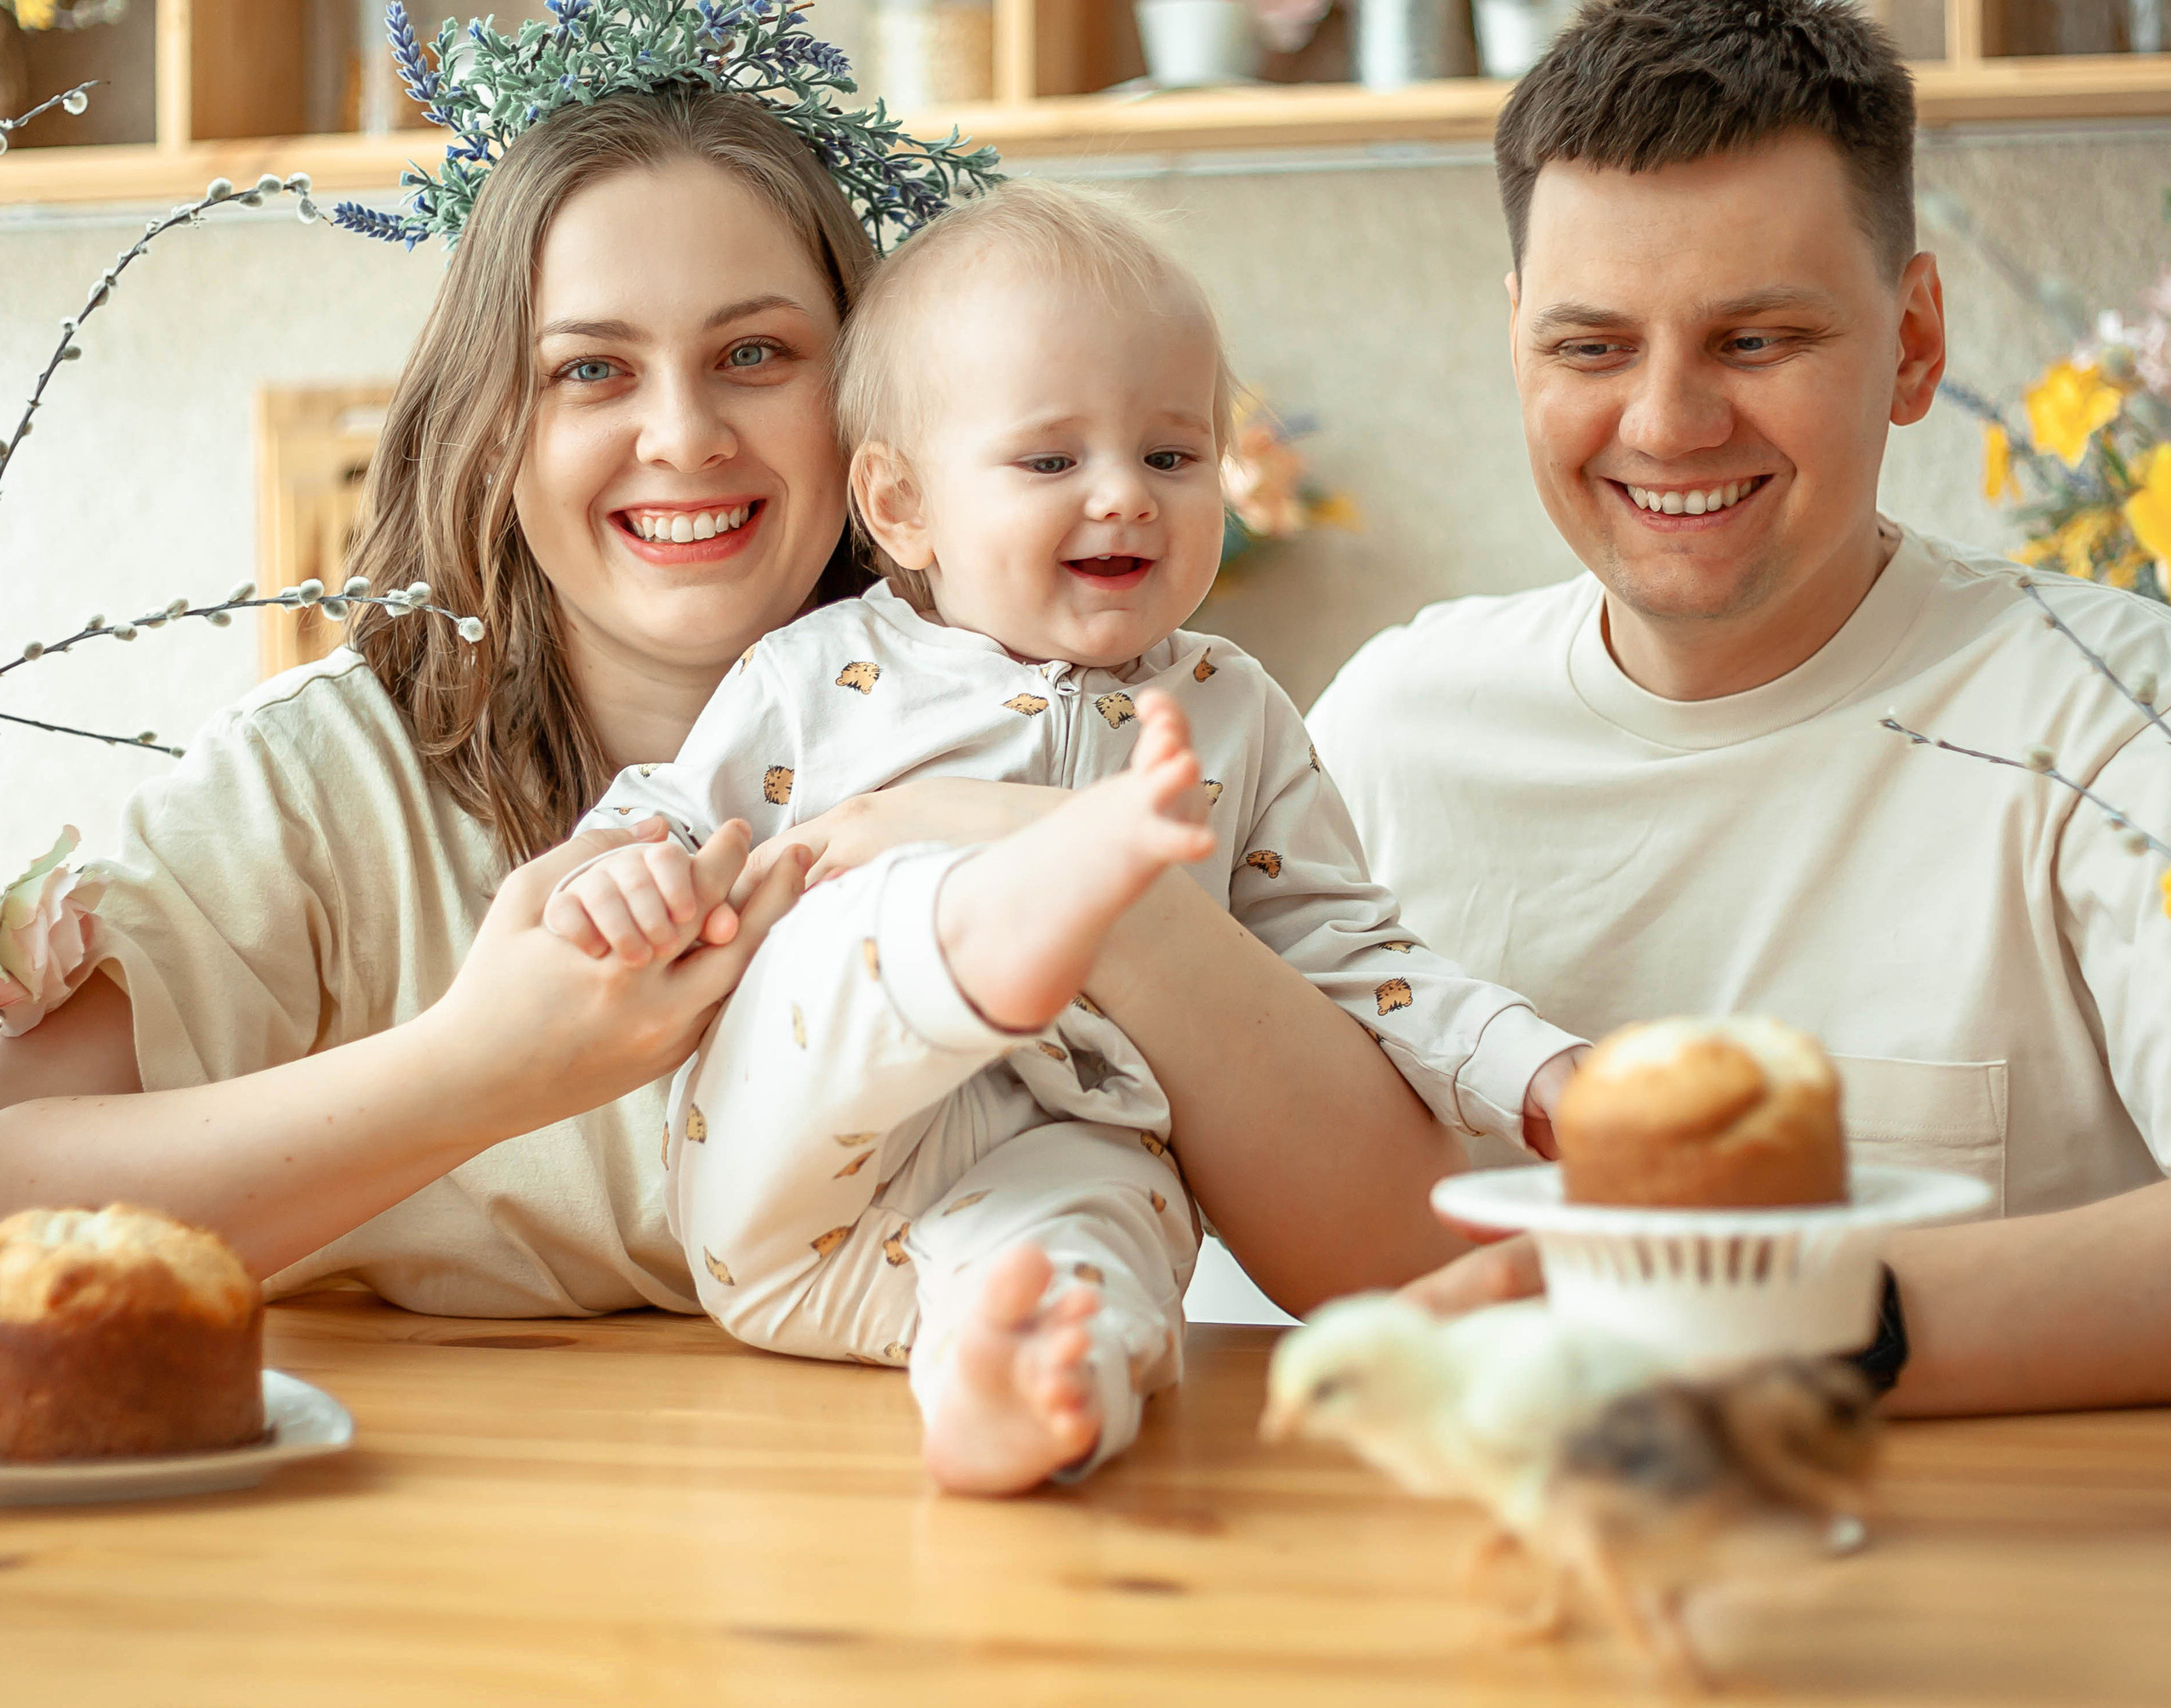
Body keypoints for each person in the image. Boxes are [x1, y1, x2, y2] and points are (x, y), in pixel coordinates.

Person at [0, 0, 1471, 1323]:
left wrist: (1094, 888)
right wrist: (480, 1068)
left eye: (755, 353)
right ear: (488, 423)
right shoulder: (326, 786)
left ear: (877, 430)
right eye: (591, 370)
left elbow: (1396, 1256)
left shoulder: (1113, 734)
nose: (684, 435)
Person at [545, 184, 1581, 1488]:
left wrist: (1534, 1070)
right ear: (904, 505)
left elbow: (1348, 957)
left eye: (1170, 455)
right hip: (793, 1183)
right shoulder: (820, 672)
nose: (1123, 499)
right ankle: (1008, 908)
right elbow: (671, 817)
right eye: (1051, 462)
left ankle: (1021, 1398)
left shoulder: (1231, 713)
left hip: (960, 1245)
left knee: (1110, 1235)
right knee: (849, 920)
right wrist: (622, 876)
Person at [1309, 0, 2171, 1416]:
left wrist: (1769, 1321)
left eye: (1755, 341)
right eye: (1590, 347)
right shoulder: (1386, 730)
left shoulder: (2108, 714)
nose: (1667, 424)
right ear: (1515, 340)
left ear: (1912, 343)